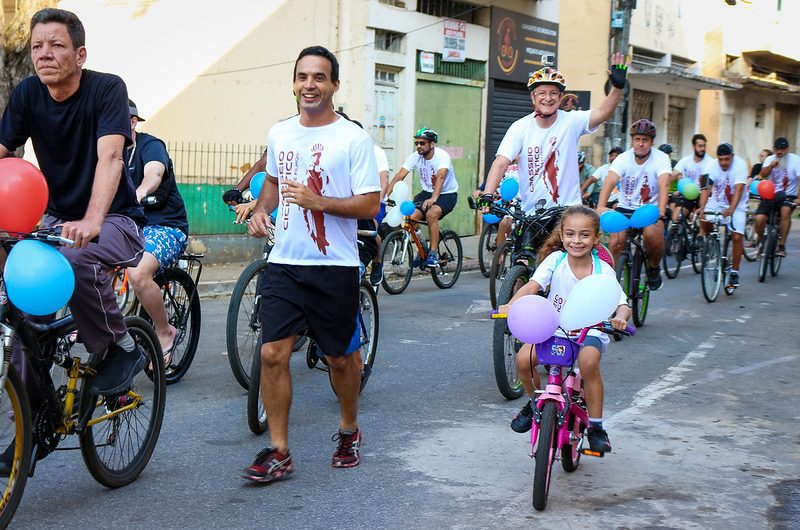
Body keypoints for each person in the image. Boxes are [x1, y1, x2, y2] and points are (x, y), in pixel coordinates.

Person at [243, 46, 380, 483]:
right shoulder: (280, 133)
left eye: (319, 77)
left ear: (334, 85)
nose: (309, 85)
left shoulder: (352, 138)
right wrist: (262, 210)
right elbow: (274, 185)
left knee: (341, 361)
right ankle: (279, 450)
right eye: (302, 76)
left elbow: (371, 204)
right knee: (271, 353)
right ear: (294, 82)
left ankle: (348, 429)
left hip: (334, 266)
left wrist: (318, 202)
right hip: (284, 261)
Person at [0, 8, 147, 396]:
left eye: (56, 45)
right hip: (55, 219)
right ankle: (31, 417)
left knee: (75, 257)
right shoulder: (28, 93)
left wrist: (93, 220)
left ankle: (119, 346)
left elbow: (111, 157)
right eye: (37, 46)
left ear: (80, 55)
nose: (43, 54)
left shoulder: (107, 89)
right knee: (24, 299)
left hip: (115, 219)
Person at [498, 206, 630, 453]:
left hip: (589, 329)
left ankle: (596, 427)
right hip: (555, 327)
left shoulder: (603, 270)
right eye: (570, 234)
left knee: (588, 362)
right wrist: (511, 303)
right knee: (523, 360)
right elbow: (532, 287)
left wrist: (620, 318)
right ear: (561, 234)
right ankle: (534, 401)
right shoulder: (555, 260)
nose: (576, 241)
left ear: (596, 238)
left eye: (584, 235)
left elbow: (621, 303)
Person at [480, 52, 630, 225]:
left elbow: (602, 113)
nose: (548, 98)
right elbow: (501, 162)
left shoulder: (571, 121)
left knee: (575, 250)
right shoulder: (520, 127)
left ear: (560, 98)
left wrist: (617, 87)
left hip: (567, 213)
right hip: (531, 214)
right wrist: (488, 194)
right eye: (542, 93)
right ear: (533, 97)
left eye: (553, 93)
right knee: (520, 251)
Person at [125, 100, 190, 363]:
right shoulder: (107, 150)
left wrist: (138, 193)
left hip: (165, 227)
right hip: (128, 226)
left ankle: (164, 332)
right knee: (88, 263)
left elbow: (154, 173)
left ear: (132, 122)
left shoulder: (150, 145)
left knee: (138, 273)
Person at [596, 119, 672, 290]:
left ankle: (653, 268)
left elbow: (664, 183)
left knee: (653, 236)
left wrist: (661, 209)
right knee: (616, 241)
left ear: (651, 142)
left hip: (650, 210)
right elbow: (610, 181)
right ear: (632, 140)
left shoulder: (661, 158)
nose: (640, 144)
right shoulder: (623, 158)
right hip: (625, 208)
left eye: (645, 140)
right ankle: (612, 282)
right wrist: (601, 206)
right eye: (637, 139)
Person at [386, 128, 458, 266]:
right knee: (411, 216)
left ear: (431, 144)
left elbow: (440, 177)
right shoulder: (415, 157)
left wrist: (434, 198)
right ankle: (422, 247)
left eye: (422, 143)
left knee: (431, 214)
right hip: (426, 192)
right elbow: (400, 175)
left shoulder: (442, 156)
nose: (418, 146)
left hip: (446, 194)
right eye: (417, 143)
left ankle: (433, 253)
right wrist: (384, 198)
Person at [698, 143, 748, 287]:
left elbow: (738, 190)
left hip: (737, 205)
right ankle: (708, 238)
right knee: (704, 216)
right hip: (718, 202)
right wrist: (702, 207)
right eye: (721, 159)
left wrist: (731, 210)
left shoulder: (740, 165)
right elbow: (705, 188)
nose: (724, 163)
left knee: (736, 236)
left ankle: (734, 272)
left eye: (727, 159)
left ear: (732, 157)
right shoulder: (711, 166)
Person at [757, 137, 799, 257]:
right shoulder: (770, 159)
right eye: (777, 149)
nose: (780, 152)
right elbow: (762, 175)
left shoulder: (795, 160)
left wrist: (799, 198)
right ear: (774, 149)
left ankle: (781, 245)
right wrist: (771, 166)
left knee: (785, 211)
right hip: (770, 194)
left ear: (787, 149)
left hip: (788, 195)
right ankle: (761, 242)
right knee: (759, 219)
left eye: (783, 149)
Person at [670, 134, 714, 223]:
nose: (703, 149)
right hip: (688, 195)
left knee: (703, 219)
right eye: (700, 146)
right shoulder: (685, 161)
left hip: (704, 195)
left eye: (704, 146)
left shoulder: (711, 162)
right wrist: (663, 183)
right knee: (676, 218)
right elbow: (674, 174)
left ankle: (700, 235)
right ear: (693, 146)